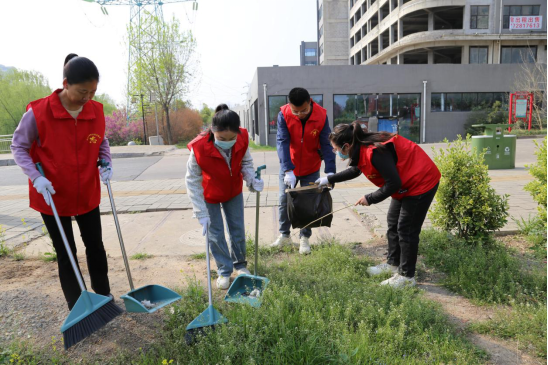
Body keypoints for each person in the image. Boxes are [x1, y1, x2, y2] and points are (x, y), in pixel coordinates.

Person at [11, 53, 115, 309]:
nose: (87, 98)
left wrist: (106, 161)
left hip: (87, 193)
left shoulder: (95, 111)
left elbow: (101, 140)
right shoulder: (39, 113)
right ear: (66, 83)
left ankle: (103, 297)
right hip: (51, 193)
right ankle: (78, 306)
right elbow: (18, 146)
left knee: (96, 247)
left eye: (92, 92)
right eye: (82, 91)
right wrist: (36, 178)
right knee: (67, 253)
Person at [318, 121, 441, 288]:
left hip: (421, 181)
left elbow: (393, 184)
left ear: (346, 146)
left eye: (336, 149)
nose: (336, 152)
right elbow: (356, 170)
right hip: (405, 182)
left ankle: (406, 276)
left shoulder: (374, 152)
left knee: (406, 229)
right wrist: (329, 178)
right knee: (392, 222)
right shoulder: (359, 148)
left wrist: (370, 198)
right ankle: (393, 264)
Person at [186, 104, 264, 290]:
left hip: (233, 191)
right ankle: (224, 270)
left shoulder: (243, 138)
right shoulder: (198, 147)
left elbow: (246, 162)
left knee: (236, 228)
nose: (227, 141)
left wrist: (251, 179)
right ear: (212, 131)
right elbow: (192, 180)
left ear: (238, 132)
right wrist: (200, 212)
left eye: (232, 138)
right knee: (216, 234)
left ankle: (240, 265)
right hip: (209, 194)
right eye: (222, 138)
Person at [273, 87, 336, 254]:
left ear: (310, 102)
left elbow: (326, 143)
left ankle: (304, 238)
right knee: (283, 200)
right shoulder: (284, 114)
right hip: (290, 166)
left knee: (308, 203)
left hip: (311, 166)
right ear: (290, 105)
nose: (299, 114)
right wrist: (287, 169)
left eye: (304, 110)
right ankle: (284, 235)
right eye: (296, 111)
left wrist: (330, 171)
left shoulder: (321, 115)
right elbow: (282, 142)